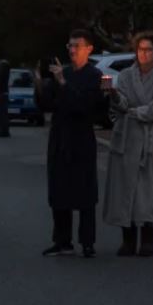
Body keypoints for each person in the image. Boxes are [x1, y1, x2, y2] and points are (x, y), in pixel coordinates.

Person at [34, 29, 105, 258]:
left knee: (84, 193)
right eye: (70, 46)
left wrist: (64, 84)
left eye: (77, 45)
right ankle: (62, 240)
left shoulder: (94, 75)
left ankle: (87, 241)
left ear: (89, 48)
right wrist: (40, 84)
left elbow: (85, 106)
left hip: (81, 139)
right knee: (59, 191)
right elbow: (48, 105)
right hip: (60, 138)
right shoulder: (60, 73)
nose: (72, 50)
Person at [102, 32, 153, 256]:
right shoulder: (125, 76)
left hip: (148, 139)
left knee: (146, 190)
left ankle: (148, 236)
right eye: (141, 49)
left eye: (148, 49)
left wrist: (135, 112)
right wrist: (113, 95)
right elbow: (121, 103)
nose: (144, 54)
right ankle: (128, 238)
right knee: (125, 190)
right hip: (126, 137)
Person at [0, 56, 11, 138]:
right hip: (2, 92)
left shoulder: (3, 65)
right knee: (3, 113)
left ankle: (3, 131)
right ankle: (4, 130)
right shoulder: (4, 65)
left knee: (2, 113)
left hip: (1, 92)